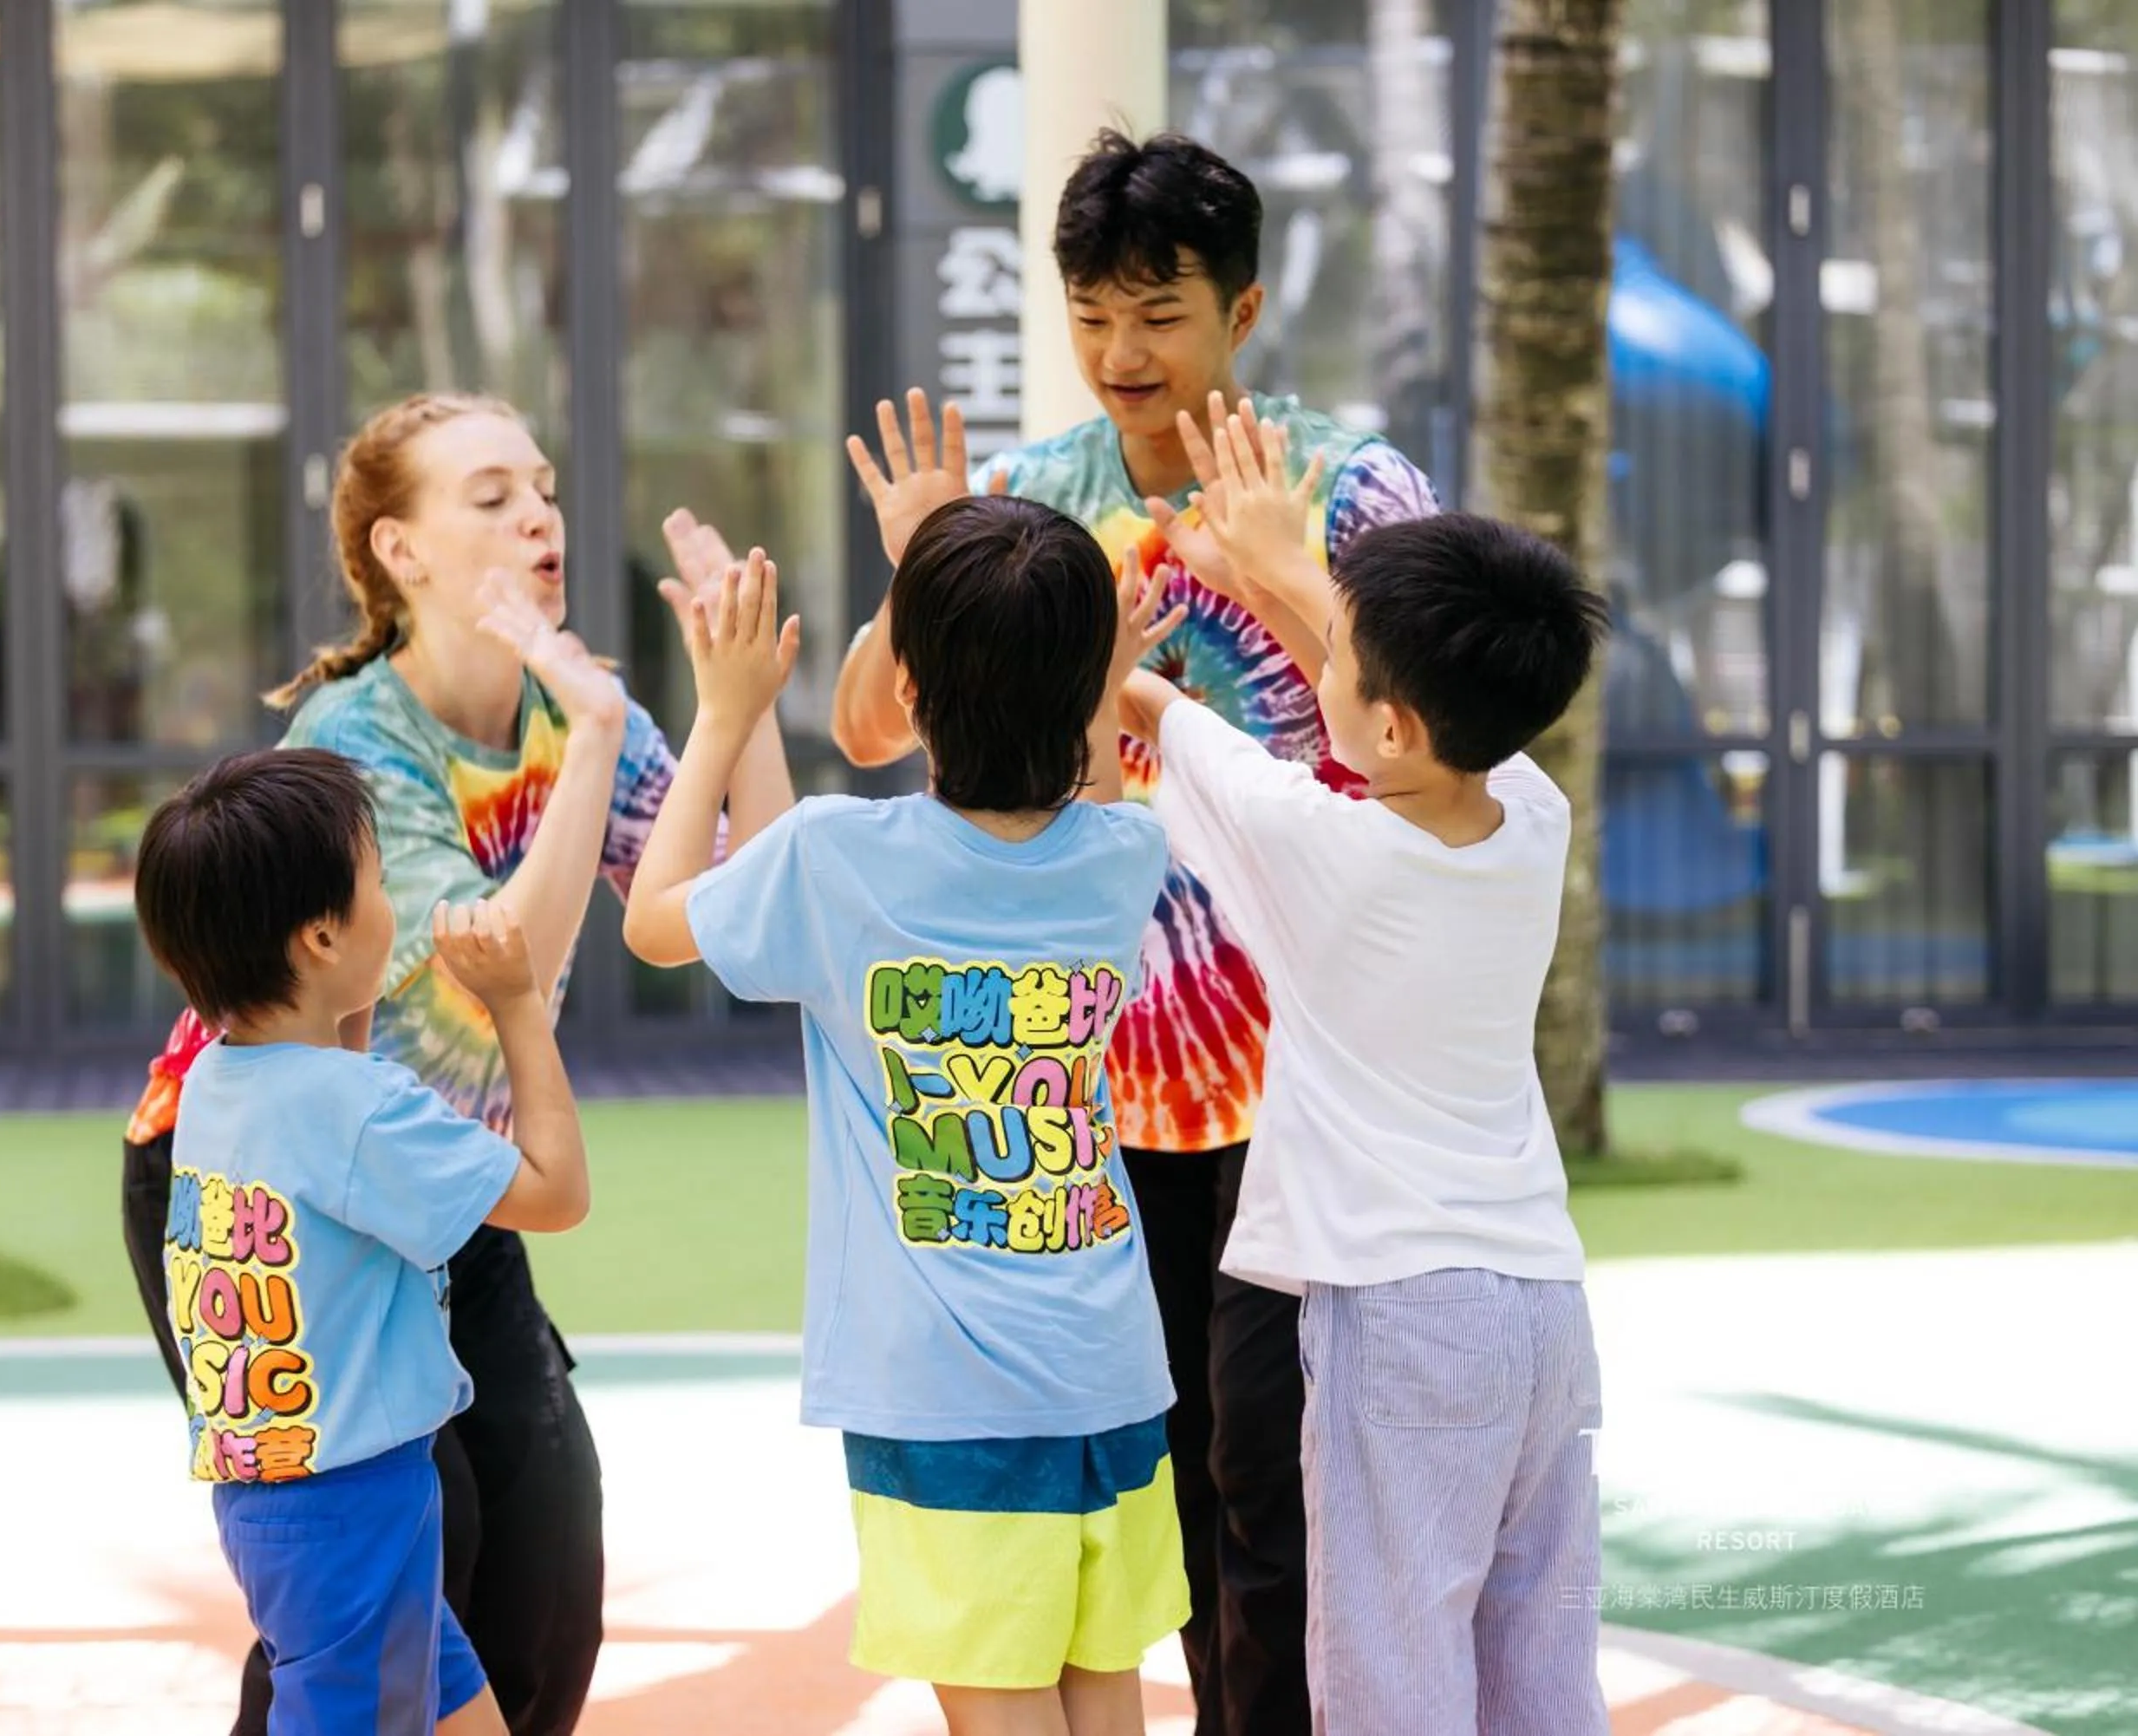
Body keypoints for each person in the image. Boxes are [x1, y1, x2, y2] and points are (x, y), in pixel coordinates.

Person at [831, 129, 1441, 1736]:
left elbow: (1439, 739)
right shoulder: (1039, 497)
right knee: (1161, 1475)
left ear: (1241, 311)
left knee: (1282, 1478)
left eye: (1158, 315)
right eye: (1093, 314)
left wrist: (1292, 576)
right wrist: (922, 561)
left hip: (1309, 1070)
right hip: (1086, 1085)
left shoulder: (1354, 490)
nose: (1122, 357)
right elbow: (874, 730)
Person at [120, 392, 793, 1735]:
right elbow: (489, 990)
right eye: (488, 496)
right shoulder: (354, 749)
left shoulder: (572, 705)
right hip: (268, 1174)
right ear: (399, 551)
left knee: (543, 1571)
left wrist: (743, 703)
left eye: (540, 485)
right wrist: (600, 730)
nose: (537, 513)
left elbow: (750, 907)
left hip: (439, 1172)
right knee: (369, 1580)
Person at [625, 505, 1188, 1736]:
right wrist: (1096, 678)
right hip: (1108, 1371)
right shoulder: (1123, 857)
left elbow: (660, 915)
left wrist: (724, 710)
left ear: (913, 689)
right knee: (1106, 1702)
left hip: (947, 1401)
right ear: (1087, 683)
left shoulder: (844, 860)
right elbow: (1061, 783)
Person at [1121, 405, 1608, 1733]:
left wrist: (1137, 644)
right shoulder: (1529, 815)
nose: (1311, 675)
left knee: (1389, 1675)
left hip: (1401, 1321)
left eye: (1337, 667)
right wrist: (1280, 563)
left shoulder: (1321, 847)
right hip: (1542, 1312)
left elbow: (1159, 711)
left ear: (1391, 725)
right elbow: (1396, 697)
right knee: (1538, 1665)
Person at [131, 747, 594, 1735]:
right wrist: (516, 1000)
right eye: (378, 882)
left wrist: (360, 993)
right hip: (360, 1507)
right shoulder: (357, 1111)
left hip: (276, 1500)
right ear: (322, 934)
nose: (392, 902)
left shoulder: (217, 1079)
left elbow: (326, 1101)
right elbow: (557, 1193)